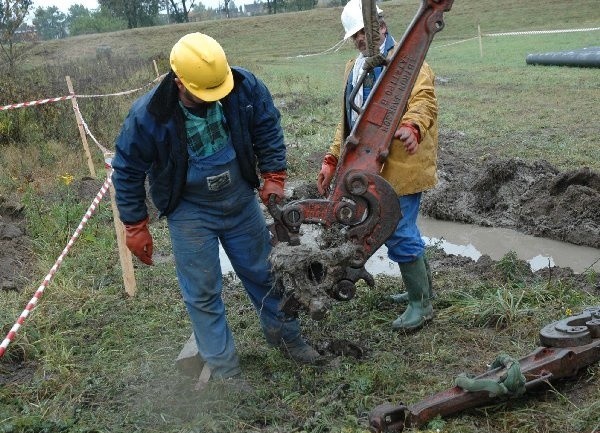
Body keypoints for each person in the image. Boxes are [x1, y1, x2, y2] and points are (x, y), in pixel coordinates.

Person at [112, 32, 321, 386]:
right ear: (179, 81)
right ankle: (226, 370)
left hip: (240, 198)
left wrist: (273, 174)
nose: (213, 99)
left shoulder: (243, 86)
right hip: (189, 211)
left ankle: (287, 338)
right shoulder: (148, 116)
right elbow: (128, 169)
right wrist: (135, 225)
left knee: (264, 272)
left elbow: (267, 126)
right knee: (203, 290)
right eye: (202, 94)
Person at [316, 0, 439, 332]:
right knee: (398, 229)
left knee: (397, 229)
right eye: (354, 35)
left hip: (401, 165)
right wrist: (331, 160)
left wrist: (413, 127)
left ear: (380, 27)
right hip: (369, 168)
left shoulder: (408, 61)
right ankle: (423, 290)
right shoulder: (353, 68)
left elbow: (423, 98)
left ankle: (421, 304)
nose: (359, 40)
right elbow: (348, 124)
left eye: (363, 32)